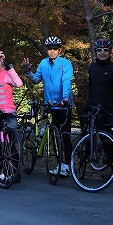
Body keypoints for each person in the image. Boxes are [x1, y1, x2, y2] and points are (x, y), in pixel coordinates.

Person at [22, 36, 74, 177]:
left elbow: (66, 81)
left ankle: (67, 165)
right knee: (55, 137)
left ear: (59, 50)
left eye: (55, 49)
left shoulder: (66, 63)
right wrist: (27, 72)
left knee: (65, 136)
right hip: (50, 105)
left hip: (63, 105)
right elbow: (36, 79)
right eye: (50, 49)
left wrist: (64, 98)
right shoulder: (43, 63)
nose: (52, 51)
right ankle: (59, 163)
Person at [85, 38, 113, 187]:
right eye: (99, 50)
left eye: (105, 50)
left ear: (110, 52)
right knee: (106, 143)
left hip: (112, 111)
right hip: (97, 111)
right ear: (96, 52)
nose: (102, 53)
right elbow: (91, 88)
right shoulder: (92, 67)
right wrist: (89, 105)